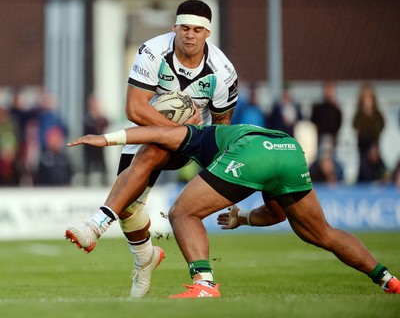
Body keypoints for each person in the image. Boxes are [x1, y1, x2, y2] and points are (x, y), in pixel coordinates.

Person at [66, 123, 400, 298]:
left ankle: (205, 284)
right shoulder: (230, 135)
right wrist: (243, 218)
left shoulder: (197, 135)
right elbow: (277, 213)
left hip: (252, 149)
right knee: (320, 232)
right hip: (287, 148)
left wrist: (106, 138)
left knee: (182, 212)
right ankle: (387, 279)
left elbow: (155, 133)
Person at [67, 0, 238, 298]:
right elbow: (134, 108)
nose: (190, 35)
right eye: (184, 27)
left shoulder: (223, 72)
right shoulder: (152, 51)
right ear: (175, 27)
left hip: (195, 139)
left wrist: (227, 184)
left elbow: (221, 130)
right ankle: (145, 257)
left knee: (151, 153)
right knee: (128, 206)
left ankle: (95, 226)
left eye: (198, 30)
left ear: (207, 33)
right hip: (154, 129)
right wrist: (173, 129)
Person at [352, 83, 385, 181]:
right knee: (364, 167)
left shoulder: (377, 114)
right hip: (363, 146)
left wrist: (375, 145)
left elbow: (380, 127)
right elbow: (356, 126)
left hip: (374, 145)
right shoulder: (359, 114)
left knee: (378, 166)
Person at [83, 94, 109, 186]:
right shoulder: (88, 118)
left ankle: (105, 181)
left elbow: (106, 124)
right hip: (90, 147)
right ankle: (86, 182)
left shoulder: (101, 118)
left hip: (100, 147)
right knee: (88, 165)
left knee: (102, 165)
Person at [310, 80, 342, 148]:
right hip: (320, 138)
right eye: (327, 89)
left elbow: (338, 123)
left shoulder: (336, 109)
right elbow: (313, 122)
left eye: (331, 89)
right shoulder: (318, 108)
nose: (329, 92)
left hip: (333, 139)